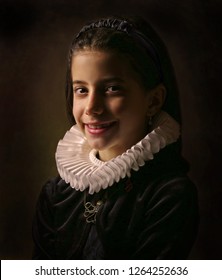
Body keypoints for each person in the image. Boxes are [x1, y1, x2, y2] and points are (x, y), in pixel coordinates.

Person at [32, 16, 199, 260]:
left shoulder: (169, 196)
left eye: (112, 88)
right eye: (81, 90)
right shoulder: (55, 195)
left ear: (153, 100)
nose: (92, 107)